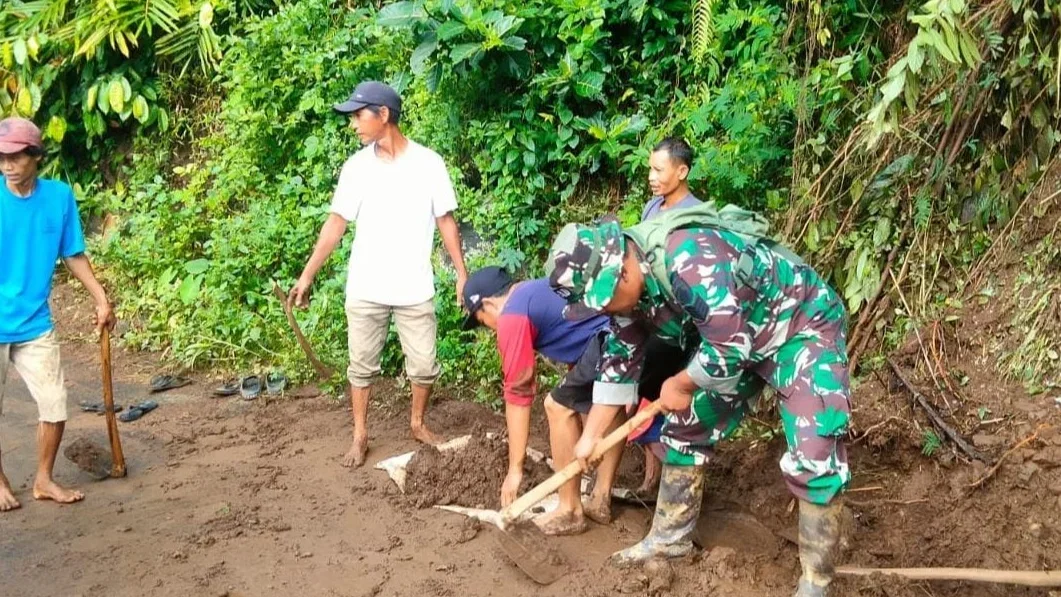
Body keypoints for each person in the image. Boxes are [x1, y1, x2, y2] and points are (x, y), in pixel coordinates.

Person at [545, 208, 851, 597]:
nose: (607, 310)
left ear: (621, 270)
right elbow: (618, 367)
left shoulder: (688, 258)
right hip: (739, 339)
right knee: (685, 426)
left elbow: (728, 348)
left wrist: (682, 382)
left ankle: (816, 585)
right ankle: (670, 541)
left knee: (814, 450)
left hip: (799, 326)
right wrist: (589, 437)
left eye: (605, 301)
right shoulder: (625, 298)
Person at [289, 81, 468, 468]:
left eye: (358, 115)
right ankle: (360, 433)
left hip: (414, 286)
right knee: (362, 365)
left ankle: (417, 423)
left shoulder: (428, 164)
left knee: (423, 364)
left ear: (383, 115)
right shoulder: (356, 169)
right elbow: (335, 225)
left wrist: (461, 274)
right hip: (366, 286)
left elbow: (446, 221)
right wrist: (307, 276)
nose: (354, 124)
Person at [461, 266, 684, 535]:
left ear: (486, 304)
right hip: (642, 336)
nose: (487, 327)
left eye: (481, 320)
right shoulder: (541, 289)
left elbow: (518, 392)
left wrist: (515, 469)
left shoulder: (513, 314)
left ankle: (569, 510)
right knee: (603, 403)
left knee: (556, 407)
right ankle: (600, 498)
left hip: (613, 341)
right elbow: (579, 344)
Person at [0, 116, 116, 511]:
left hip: (34, 321)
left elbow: (73, 253)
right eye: (1, 158)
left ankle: (43, 479)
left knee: (55, 402)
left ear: (36, 157)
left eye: (15, 157)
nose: (7, 166)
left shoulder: (59, 197)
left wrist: (100, 297)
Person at [632, 137, 702, 498]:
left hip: (680, 327)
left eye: (659, 170)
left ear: (682, 171)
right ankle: (651, 473)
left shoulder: (695, 217)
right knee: (645, 396)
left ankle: (671, 479)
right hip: (650, 318)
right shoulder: (651, 209)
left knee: (665, 397)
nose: (651, 176)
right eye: (650, 168)